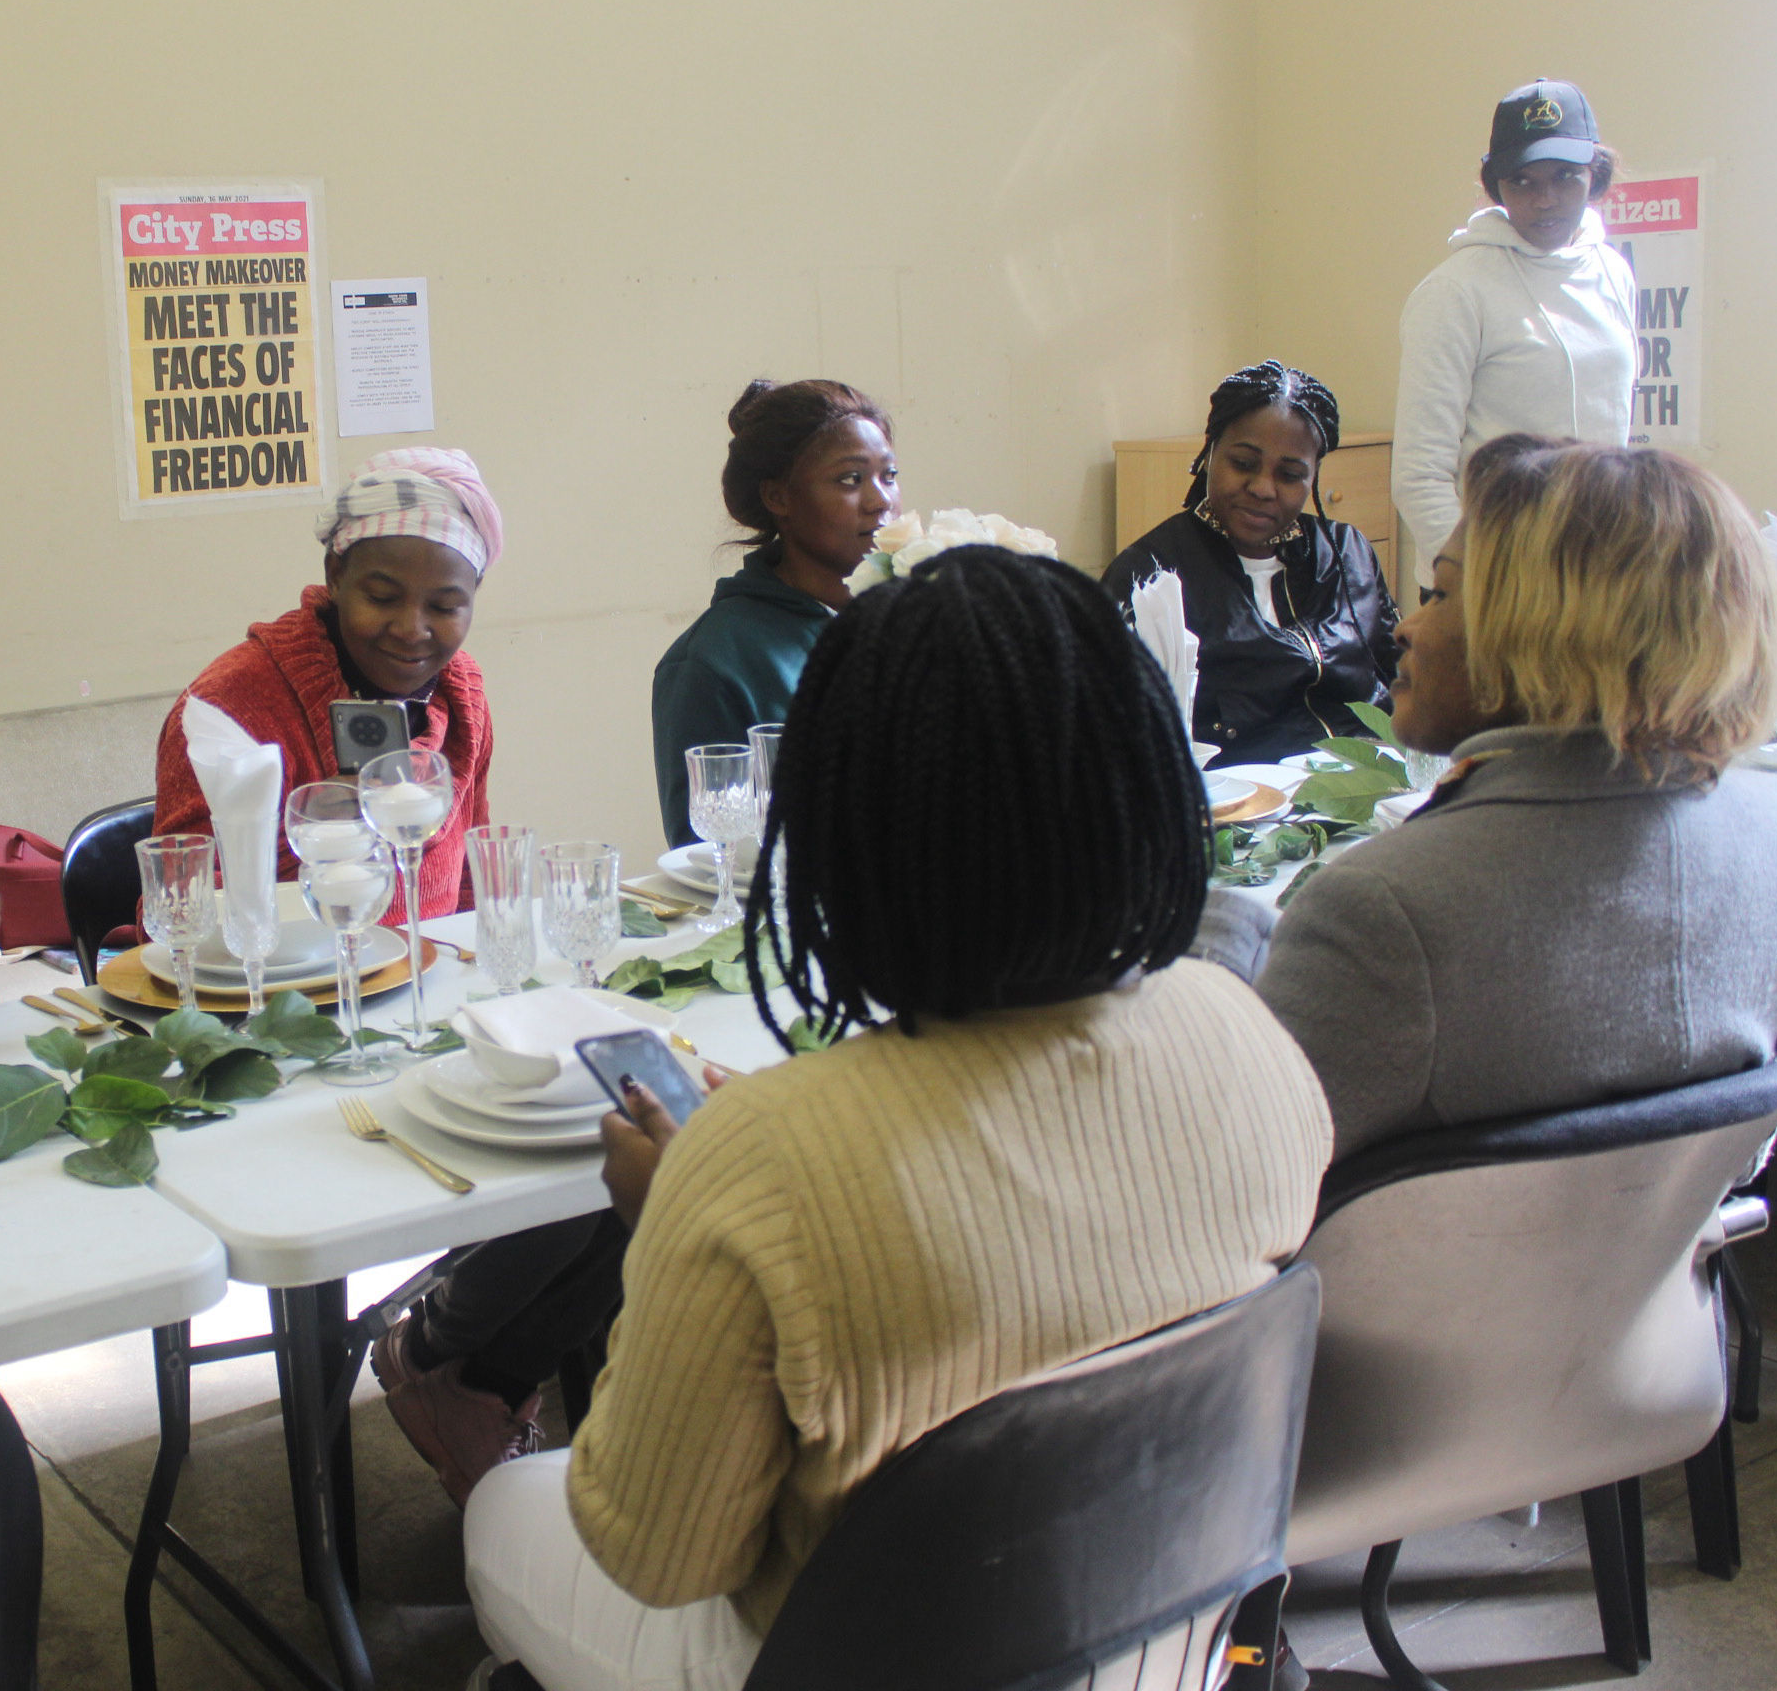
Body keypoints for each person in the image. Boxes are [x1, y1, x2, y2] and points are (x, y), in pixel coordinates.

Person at [463, 543, 1334, 1691]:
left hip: (850, 1659)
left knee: (502, 1509)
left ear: (839, 841)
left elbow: (659, 1554)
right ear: (1145, 787)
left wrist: (676, 1220)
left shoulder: (761, 1164)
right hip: (1166, 1638)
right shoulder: (1248, 1036)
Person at [1257, 436, 1777, 1161]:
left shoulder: (1381, 908)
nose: (1407, 625)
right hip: (1669, 1269)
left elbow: (1233, 1195)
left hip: (1410, 1275)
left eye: (1439, 594)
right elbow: (1742, 1157)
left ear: (1539, 629)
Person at [153, 446, 495, 919]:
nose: (411, 629)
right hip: (286, 990)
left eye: (444, 607)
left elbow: (469, 894)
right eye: (381, 597)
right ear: (335, 576)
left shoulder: (462, 697)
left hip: (431, 981)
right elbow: (175, 924)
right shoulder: (227, 707)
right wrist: (309, 838)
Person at [1393, 78, 1637, 579]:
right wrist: (1485, 583)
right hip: (1487, 588)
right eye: (1522, 180)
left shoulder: (1613, 272)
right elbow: (1419, 476)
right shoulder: (1456, 292)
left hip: (1590, 581)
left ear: (1597, 173)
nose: (1545, 199)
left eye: (1566, 176)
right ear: (1494, 186)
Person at [1103, 361, 1397, 764]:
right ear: (1209, 452)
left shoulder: (1348, 555)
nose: (1262, 488)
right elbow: (1116, 734)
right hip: (1236, 806)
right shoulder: (1150, 575)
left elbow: (1402, 679)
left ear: (1313, 478)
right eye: (1243, 463)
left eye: (1290, 474)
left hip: (1371, 789)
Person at [649, 379, 896, 846]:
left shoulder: (913, 625)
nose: (880, 500)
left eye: (890, 475)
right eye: (851, 479)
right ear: (778, 497)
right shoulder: (713, 662)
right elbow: (707, 862)